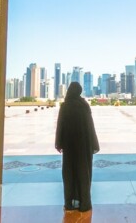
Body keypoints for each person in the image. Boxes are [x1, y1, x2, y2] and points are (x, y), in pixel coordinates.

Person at [55, 82, 100, 212]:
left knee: (69, 173)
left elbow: (60, 126)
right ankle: (84, 203)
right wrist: (93, 144)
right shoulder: (84, 106)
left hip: (69, 146)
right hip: (83, 146)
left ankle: (69, 203)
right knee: (83, 173)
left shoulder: (65, 106)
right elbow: (90, 127)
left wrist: (59, 143)